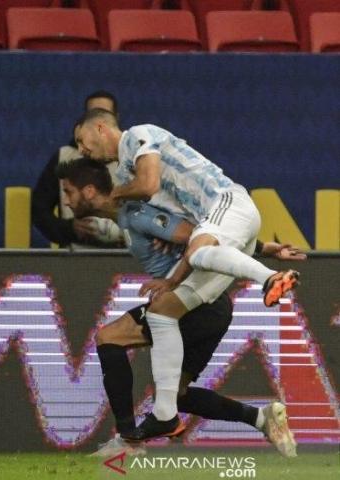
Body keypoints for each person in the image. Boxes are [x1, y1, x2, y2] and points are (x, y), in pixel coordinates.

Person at [75, 109, 300, 440]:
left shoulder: (138, 135)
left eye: (81, 140)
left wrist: (116, 195)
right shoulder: (127, 174)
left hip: (225, 201)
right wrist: (264, 246)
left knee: (195, 253)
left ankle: (269, 278)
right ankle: (167, 416)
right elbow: (190, 227)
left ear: (100, 127)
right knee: (164, 312)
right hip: (223, 228)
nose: (81, 148)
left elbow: (150, 184)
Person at [31, 91, 121, 248]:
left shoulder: (131, 158)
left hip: (123, 260)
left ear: (115, 119)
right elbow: (39, 210)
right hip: (74, 260)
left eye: (103, 115)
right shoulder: (64, 157)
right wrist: (69, 229)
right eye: (92, 114)